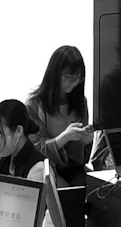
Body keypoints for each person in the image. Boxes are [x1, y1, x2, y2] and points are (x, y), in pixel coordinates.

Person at [27, 43, 98, 174]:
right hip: (46, 170)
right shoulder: (35, 104)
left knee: (100, 188)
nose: (74, 83)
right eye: (69, 78)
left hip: (74, 168)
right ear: (54, 74)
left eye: (78, 78)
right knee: (58, 190)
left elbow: (82, 156)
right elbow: (35, 150)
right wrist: (64, 137)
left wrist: (87, 139)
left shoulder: (80, 102)